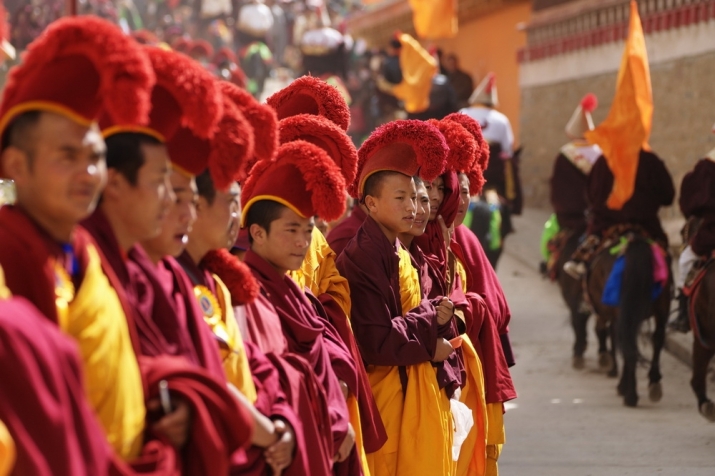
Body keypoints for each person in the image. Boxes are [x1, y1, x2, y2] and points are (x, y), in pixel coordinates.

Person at [337, 119, 459, 475]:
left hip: (409, 390)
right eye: (401, 198)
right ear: (371, 204)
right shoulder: (364, 255)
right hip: (387, 395)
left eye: (415, 197)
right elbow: (374, 338)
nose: (414, 208)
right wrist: (431, 322)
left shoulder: (401, 249)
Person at [241, 141, 358, 474]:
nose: (301, 242)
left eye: (307, 231)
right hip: (285, 441)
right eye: (291, 230)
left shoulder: (295, 291)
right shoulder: (247, 292)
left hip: (320, 432)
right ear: (257, 233)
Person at [546, 94, 601, 275]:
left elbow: (557, 189)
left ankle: (550, 266)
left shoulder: (565, 154)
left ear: (571, 133)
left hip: (572, 216)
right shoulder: (602, 154)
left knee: (548, 238)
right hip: (601, 216)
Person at [460, 73, 522, 216]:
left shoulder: (463, 113)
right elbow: (508, 149)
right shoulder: (501, 119)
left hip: (466, 169)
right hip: (493, 172)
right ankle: (511, 207)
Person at [675, 136, 715, 331]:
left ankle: (683, 313)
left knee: (685, 260)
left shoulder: (707, 166)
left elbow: (694, 202)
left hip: (712, 232)